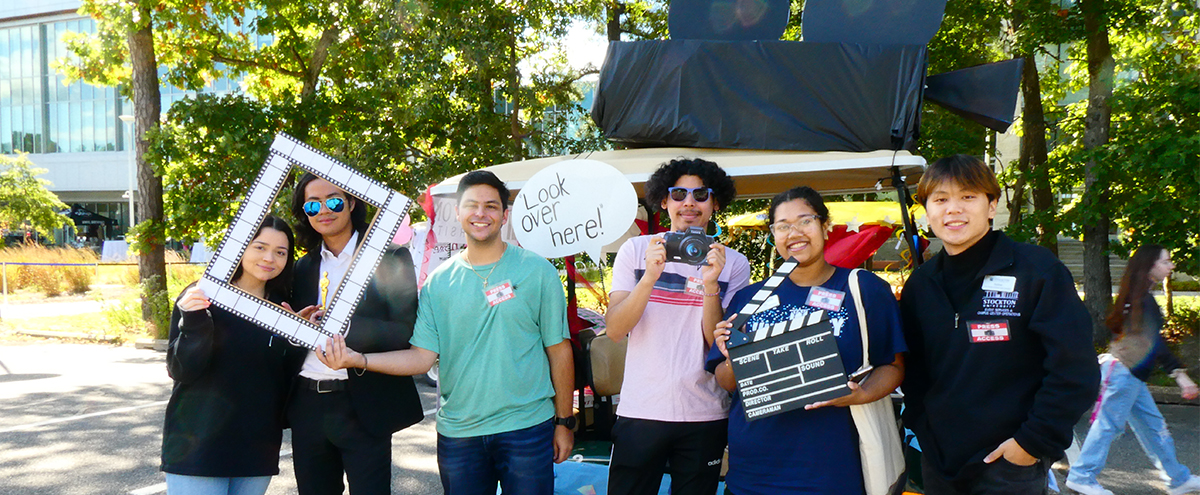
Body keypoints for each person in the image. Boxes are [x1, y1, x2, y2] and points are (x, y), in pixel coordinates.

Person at [317, 170, 575, 495]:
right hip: (459, 435)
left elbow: (559, 350)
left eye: (491, 206)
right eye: (471, 205)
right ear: (458, 212)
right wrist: (359, 358)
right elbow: (422, 358)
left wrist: (564, 423)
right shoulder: (438, 281)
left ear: (505, 215)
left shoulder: (538, 271)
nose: (480, 214)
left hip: (525, 428)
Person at [899, 154, 1100, 494]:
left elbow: (1074, 370)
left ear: (991, 206)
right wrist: (923, 429)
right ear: (927, 212)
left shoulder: (1036, 271)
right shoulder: (921, 284)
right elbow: (915, 371)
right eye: (941, 199)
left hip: (1009, 465)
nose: (953, 209)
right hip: (939, 462)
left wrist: (1031, 443)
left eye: (968, 197)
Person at [707, 186, 907, 495]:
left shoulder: (863, 288)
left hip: (833, 470)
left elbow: (892, 366)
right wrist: (736, 357)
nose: (794, 233)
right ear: (774, 234)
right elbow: (726, 381)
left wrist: (861, 394)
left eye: (805, 221)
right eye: (783, 226)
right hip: (755, 471)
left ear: (826, 227)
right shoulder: (750, 299)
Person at [604, 158, 752, 495]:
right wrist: (650, 277)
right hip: (641, 410)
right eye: (679, 193)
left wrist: (711, 284)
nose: (689, 202)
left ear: (715, 204)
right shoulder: (637, 250)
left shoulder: (733, 263)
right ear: (664, 201)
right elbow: (614, 329)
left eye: (701, 195)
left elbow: (718, 344)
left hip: (705, 412)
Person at [287, 173, 425, 495]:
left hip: (364, 401)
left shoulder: (390, 258)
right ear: (304, 212)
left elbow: (405, 331)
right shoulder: (301, 268)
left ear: (351, 203)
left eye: (334, 201)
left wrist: (347, 329)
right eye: (312, 204)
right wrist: (294, 327)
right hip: (308, 404)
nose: (324, 210)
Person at [162, 215, 307, 495]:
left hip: (257, 447)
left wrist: (295, 339)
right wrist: (194, 322)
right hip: (198, 445)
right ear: (239, 247)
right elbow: (181, 370)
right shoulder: (201, 295)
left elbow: (284, 382)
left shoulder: (282, 308)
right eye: (260, 247)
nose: (269, 258)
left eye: (281, 252)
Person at [1065, 245, 1200, 495]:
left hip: (1130, 374)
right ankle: (1082, 476)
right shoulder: (1140, 300)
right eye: (1166, 262)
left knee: (1153, 428)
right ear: (1150, 265)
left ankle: (1178, 478)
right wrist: (1180, 375)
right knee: (1108, 426)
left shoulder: (1139, 297)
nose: (1171, 266)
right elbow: (1154, 343)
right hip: (1124, 373)